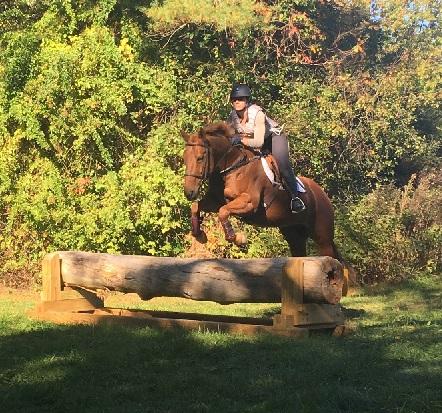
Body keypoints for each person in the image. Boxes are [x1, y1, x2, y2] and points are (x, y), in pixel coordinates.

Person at [227, 83, 306, 213]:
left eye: (240, 99)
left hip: (274, 138)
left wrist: (240, 139)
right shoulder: (233, 117)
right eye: (234, 99)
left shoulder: (258, 114)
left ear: (247, 100)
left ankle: (295, 198)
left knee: (282, 164)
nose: (237, 102)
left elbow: (258, 142)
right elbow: (228, 135)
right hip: (253, 139)